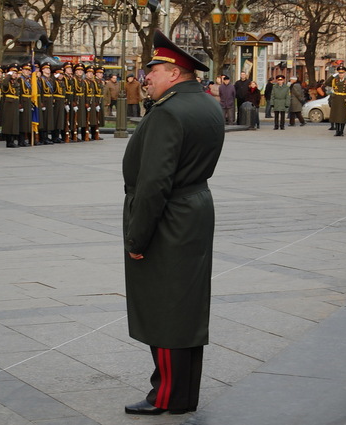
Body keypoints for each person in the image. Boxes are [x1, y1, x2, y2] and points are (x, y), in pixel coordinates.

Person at [122, 29, 224, 416]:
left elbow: (153, 185)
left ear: (175, 72)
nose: (145, 77)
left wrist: (138, 238)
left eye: (153, 70)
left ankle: (164, 396)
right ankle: (181, 394)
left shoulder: (169, 112)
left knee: (167, 308)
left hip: (169, 217)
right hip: (194, 208)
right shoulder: (206, 104)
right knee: (185, 305)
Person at [324, 65, 346, 136]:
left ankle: (341, 131)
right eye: (339, 73)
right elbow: (326, 83)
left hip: (343, 100)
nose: (341, 74)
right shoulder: (335, 81)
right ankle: (337, 131)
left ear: (344, 74)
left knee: (342, 117)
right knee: (336, 116)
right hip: (336, 100)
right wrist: (333, 76)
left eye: (342, 73)